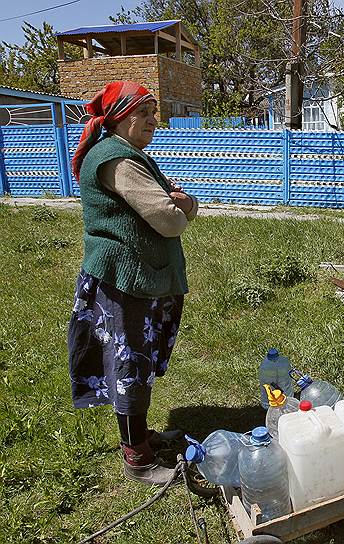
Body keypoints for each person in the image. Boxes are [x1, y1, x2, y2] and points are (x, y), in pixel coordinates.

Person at [67, 81, 199, 485]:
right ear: (120, 117)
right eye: (143, 112)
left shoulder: (127, 155)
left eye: (154, 112)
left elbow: (175, 206)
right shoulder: (119, 160)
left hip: (134, 279)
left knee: (134, 364)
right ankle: (137, 458)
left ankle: (139, 436)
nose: (152, 121)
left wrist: (183, 205)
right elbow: (169, 218)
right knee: (130, 365)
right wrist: (187, 207)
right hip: (125, 284)